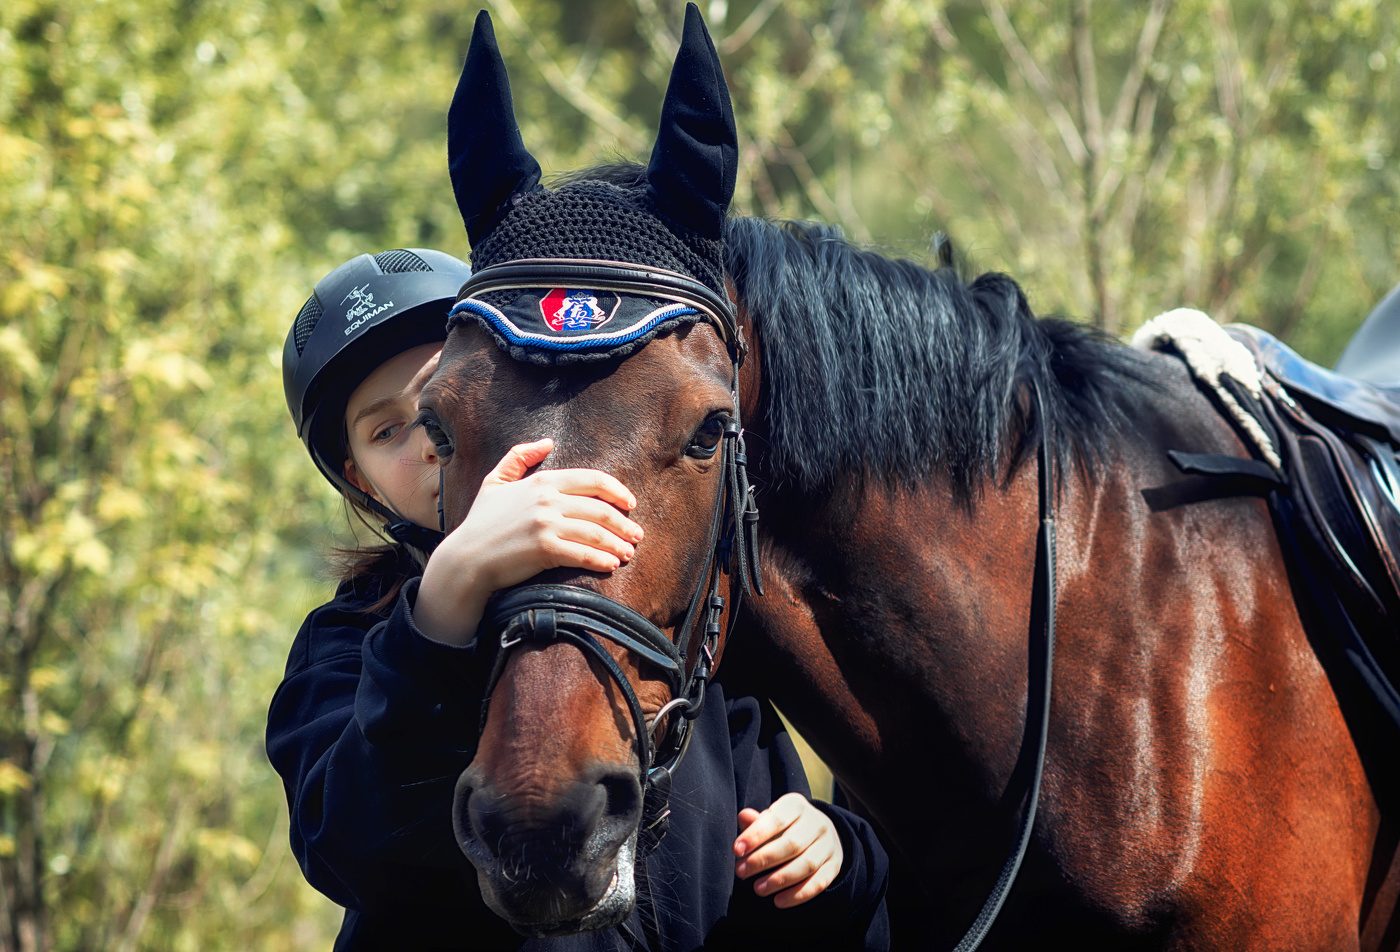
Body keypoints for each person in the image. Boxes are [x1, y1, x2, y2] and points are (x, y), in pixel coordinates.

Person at [266, 248, 890, 950]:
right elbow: (349, 850)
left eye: (442, 409)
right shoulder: (347, 640)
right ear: (362, 481)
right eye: (387, 432)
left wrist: (837, 853)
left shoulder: (658, 597)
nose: (429, 447)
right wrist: (442, 604)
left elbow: (767, 841)